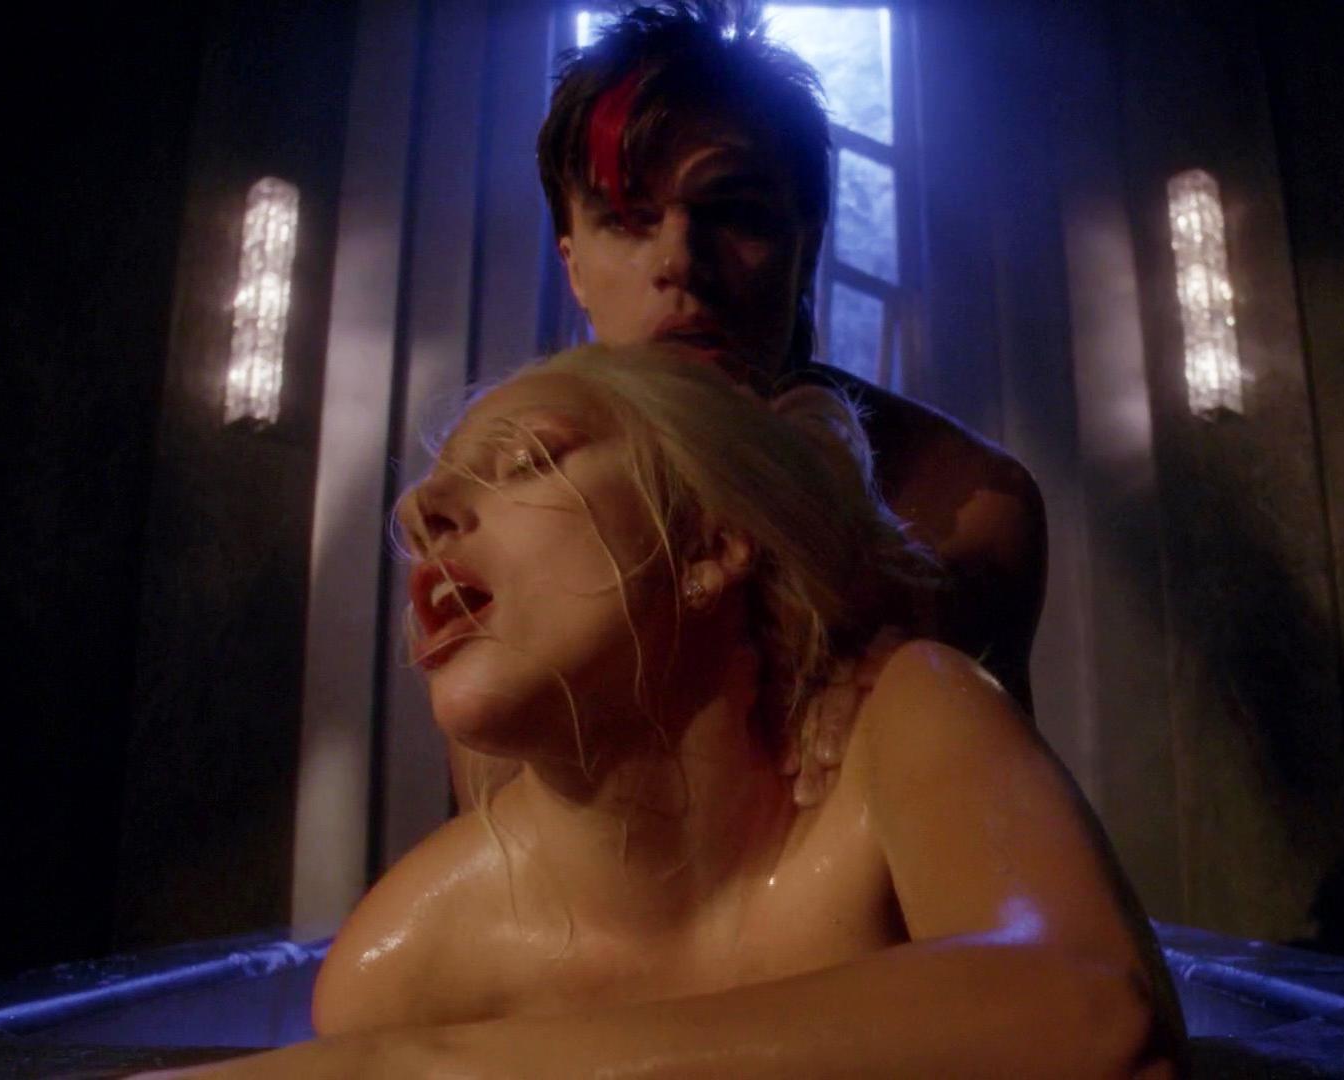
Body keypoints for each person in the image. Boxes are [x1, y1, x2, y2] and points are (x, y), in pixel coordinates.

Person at [179, 344, 1177, 1077]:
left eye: (528, 458)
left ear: (709, 545)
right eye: (428, 496)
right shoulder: (404, 972)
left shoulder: (905, 719)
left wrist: (423, 1070)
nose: (416, 510)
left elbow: (1092, 1012)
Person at [453, 0, 1048, 813]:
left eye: (733, 212)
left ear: (808, 240)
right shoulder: (498, 515)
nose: (679, 260)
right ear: (574, 266)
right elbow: (503, 842)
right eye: (627, 219)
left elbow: (995, 835)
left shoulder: (958, 505)